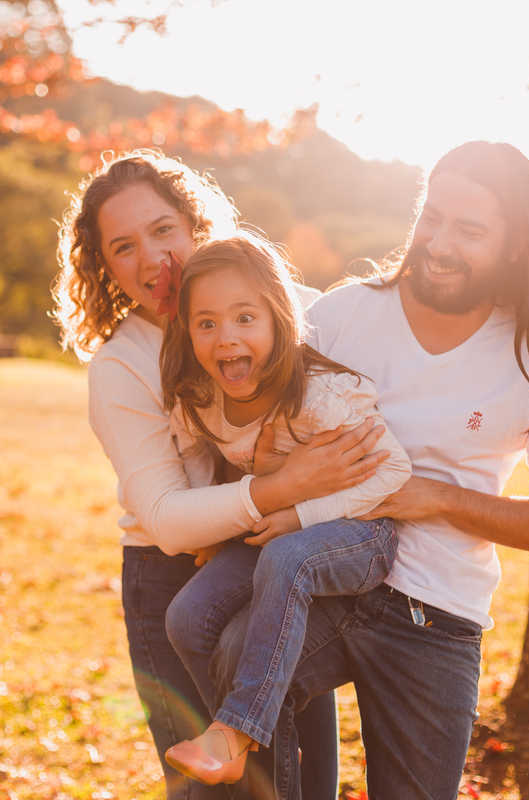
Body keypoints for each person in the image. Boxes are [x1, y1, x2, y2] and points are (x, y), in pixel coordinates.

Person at [208, 140, 529, 800]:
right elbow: (258, 424)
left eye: (469, 229)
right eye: (432, 216)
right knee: (233, 656)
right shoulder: (342, 315)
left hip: (436, 616)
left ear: (516, 245)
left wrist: (433, 497)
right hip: (330, 586)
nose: (439, 243)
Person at [53, 151, 388, 800]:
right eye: (124, 248)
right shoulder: (123, 365)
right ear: (105, 269)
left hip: (279, 563)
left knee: (305, 780)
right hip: (171, 576)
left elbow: (367, 330)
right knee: (213, 791)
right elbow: (168, 521)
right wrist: (285, 487)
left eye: (163, 230)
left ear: (194, 225)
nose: (153, 259)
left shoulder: (280, 311)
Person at [152, 233, 411, 784]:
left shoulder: (321, 398)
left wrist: (298, 516)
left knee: (286, 557)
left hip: (359, 533)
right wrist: (217, 527)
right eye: (206, 323)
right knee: (187, 617)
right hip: (278, 530)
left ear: (279, 318)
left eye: (245, 318)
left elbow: (393, 473)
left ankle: (235, 732)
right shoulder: (203, 399)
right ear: (187, 331)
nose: (226, 337)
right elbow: (197, 457)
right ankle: (251, 752)